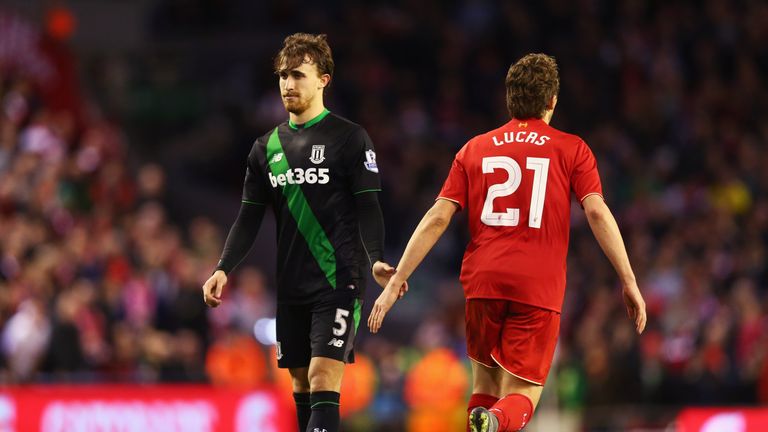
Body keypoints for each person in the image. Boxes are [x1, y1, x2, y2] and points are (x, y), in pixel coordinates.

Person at [367, 53, 647, 432]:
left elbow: (438, 217)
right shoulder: (571, 148)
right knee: (523, 394)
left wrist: (399, 276)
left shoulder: (473, 149)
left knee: (484, 385)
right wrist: (628, 280)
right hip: (537, 287)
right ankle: (496, 420)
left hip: (483, 283)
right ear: (552, 101)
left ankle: (487, 418)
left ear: (509, 99)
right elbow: (597, 213)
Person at [202, 33, 398, 432]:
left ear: (324, 79)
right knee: (301, 383)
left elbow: (368, 205)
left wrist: (376, 257)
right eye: (282, 76)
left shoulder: (349, 139)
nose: (288, 84)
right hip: (291, 284)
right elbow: (248, 216)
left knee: (324, 377)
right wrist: (223, 267)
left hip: (339, 280)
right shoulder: (265, 148)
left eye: (298, 75)